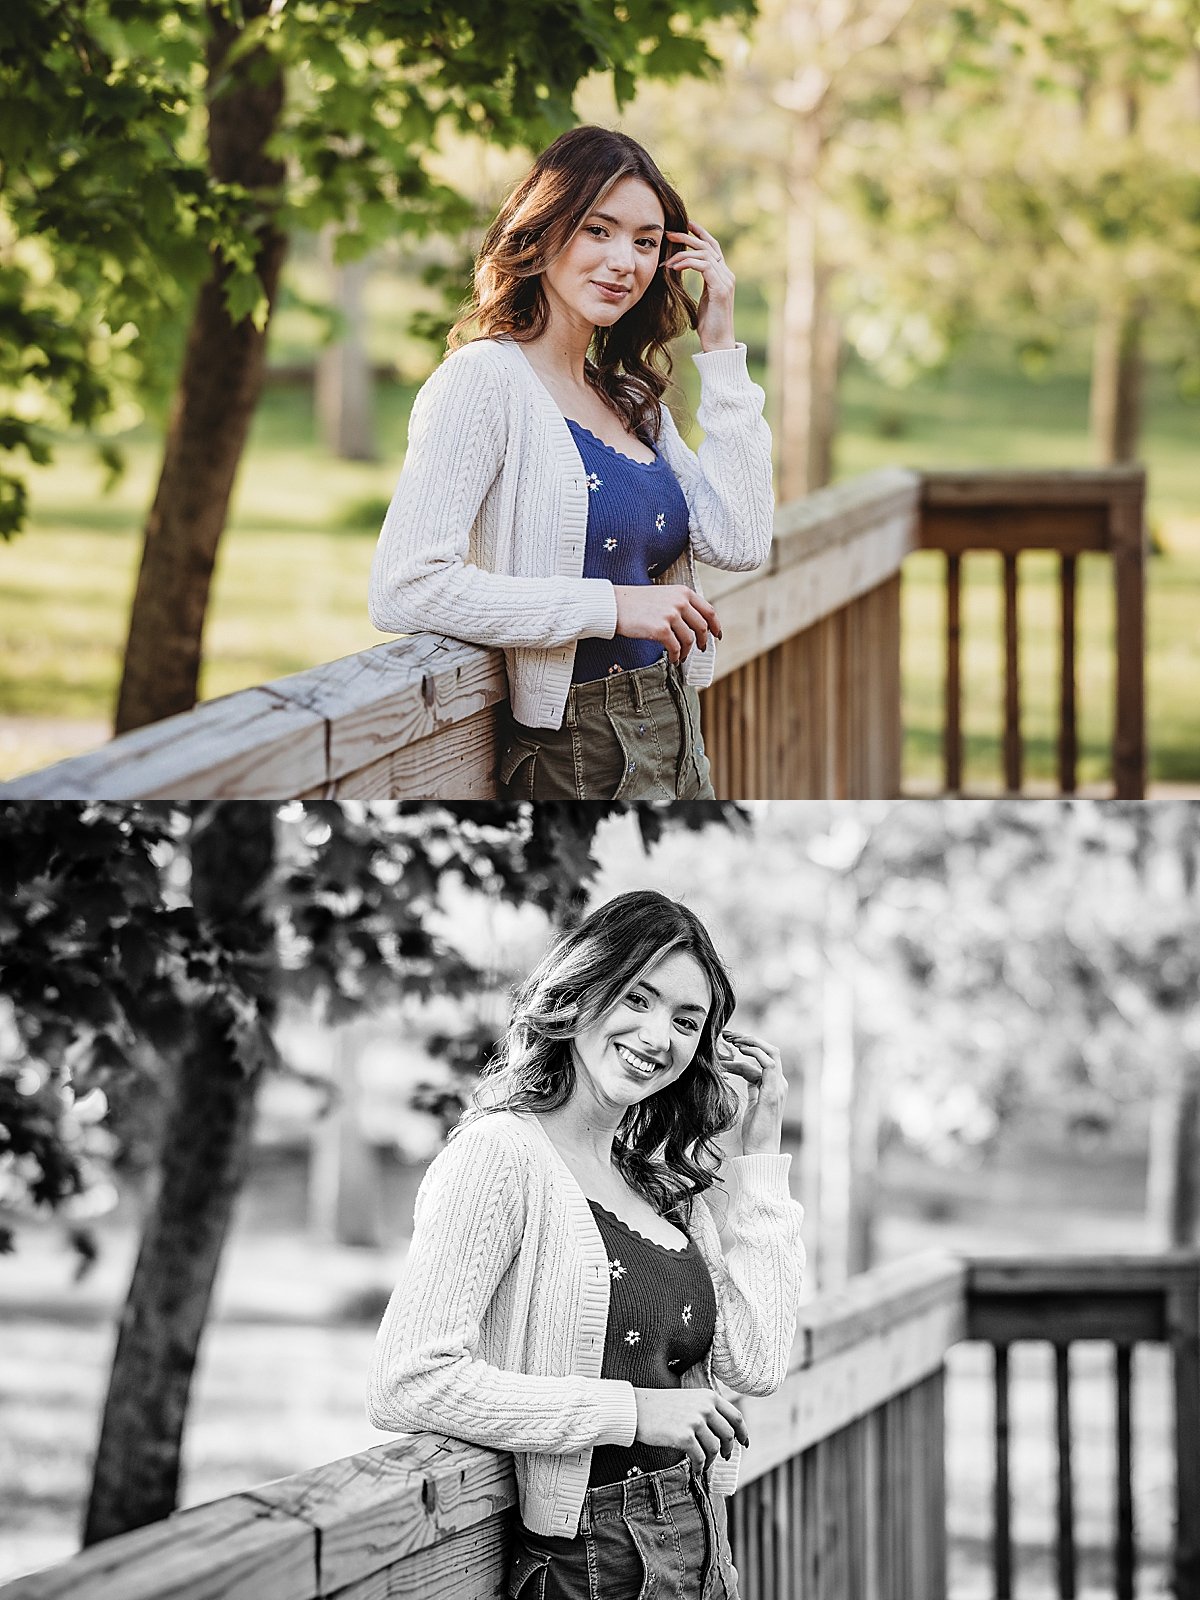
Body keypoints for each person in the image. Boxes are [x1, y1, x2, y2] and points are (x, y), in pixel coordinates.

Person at [367, 890, 805, 1600]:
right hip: (590, 1563)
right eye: (638, 998)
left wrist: (764, 1145)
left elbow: (756, 1360)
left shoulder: (662, 1186)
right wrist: (631, 1410)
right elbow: (407, 1380)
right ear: (582, 990)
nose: (659, 1036)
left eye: (686, 1021)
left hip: (702, 1543)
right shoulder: (501, 1155)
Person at [368, 126, 774, 800]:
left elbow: (740, 537)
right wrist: (612, 607)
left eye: (646, 242)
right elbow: (405, 586)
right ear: (546, 231)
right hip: (578, 748)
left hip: (678, 725)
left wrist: (721, 344)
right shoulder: (484, 381)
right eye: (598, 230)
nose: (625, 262)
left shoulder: (628, 400)